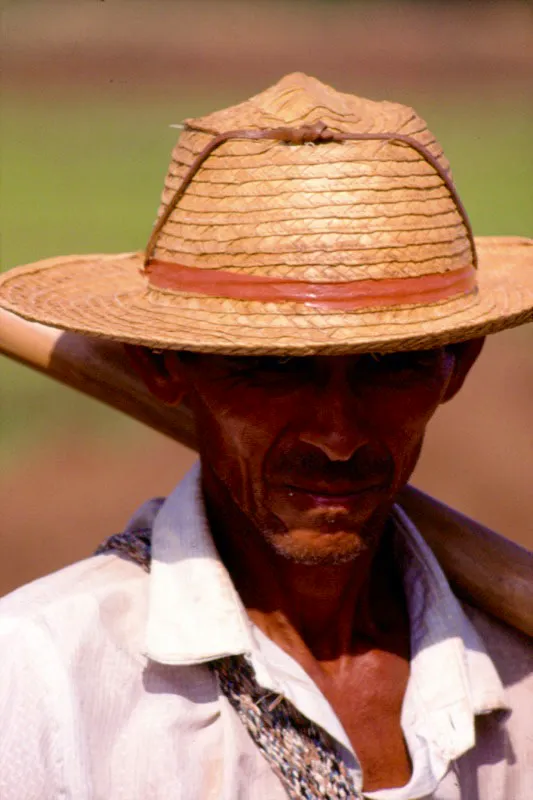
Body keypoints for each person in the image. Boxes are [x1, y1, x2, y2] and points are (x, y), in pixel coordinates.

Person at [0, 73, 531, 799]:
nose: (338, 437)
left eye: (387, 367)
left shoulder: (517, 672)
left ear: (457, 364)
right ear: (163, 366)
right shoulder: (42, 679)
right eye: (276, 370)